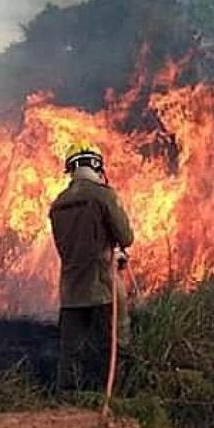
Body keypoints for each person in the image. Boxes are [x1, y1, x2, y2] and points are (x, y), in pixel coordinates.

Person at [48, 144, 134, 391]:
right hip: (103, 287)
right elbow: (126, 237)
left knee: (70, 353)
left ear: (70, 169)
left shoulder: (57, 204)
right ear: (96, 165)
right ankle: (118, 395)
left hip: (71, 291)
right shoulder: (103, 195)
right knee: (116, 344)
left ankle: (68, 401)